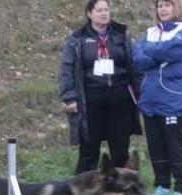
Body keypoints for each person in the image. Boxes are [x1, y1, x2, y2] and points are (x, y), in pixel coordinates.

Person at [58, 0, 142, 174]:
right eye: (99, 10)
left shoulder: (121, 35)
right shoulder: (77, 39)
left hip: (120, 99)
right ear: (90, 14)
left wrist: (140, 91)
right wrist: (69, 96)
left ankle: (122, 192)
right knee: (89, 149)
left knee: (120, 149)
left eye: (106, 10)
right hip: (90, 100)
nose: (104, 13)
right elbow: (66, 69)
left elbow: (134, 65)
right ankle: (81, 191)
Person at [132, 0, 182, 195]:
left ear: (176, 7)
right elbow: (138, 59)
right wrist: (158, 51)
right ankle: (162, 185)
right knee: (156, 144)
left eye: (167, 5)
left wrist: (151, 50)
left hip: (173, 97)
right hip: (150, 97)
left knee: (174, 144)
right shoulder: (150, 32)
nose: (163, 9)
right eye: (160, 6)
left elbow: (173, 51)